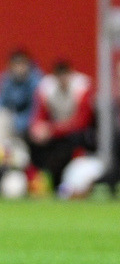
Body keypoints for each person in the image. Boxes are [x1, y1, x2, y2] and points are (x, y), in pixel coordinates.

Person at [27, 60, 94, 192]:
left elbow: (82, 122)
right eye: (59, 76)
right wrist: (38, 129)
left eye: (65, 75)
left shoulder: (82, 87)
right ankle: (38, 179)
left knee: (69, 144)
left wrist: (53, 129)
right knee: (33, 141)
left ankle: (64, 183)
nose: (62, 80)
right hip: (54, 134)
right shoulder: (46, 88)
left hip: (75, 135)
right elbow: (39, 116)